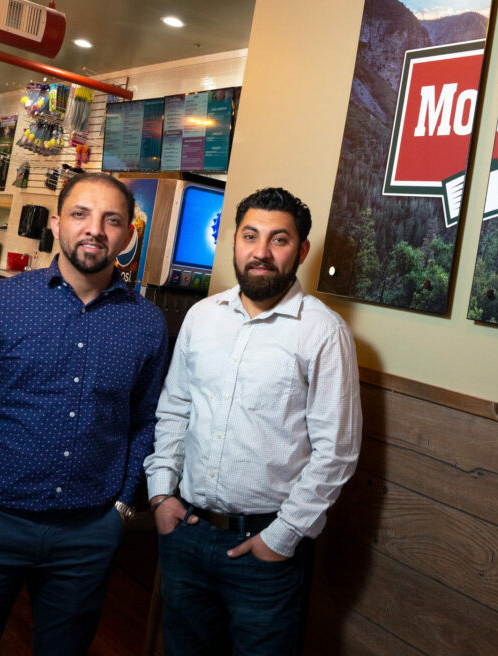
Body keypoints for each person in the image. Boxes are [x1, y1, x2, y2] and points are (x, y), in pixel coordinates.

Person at [0, 172, 169, 655]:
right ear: (56, 224)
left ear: (128, 235)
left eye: (111, 220)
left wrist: (121, 507)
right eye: (80, 214)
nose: (94, 229)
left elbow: (146, 421)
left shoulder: (146, 324)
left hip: (87, 534)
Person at [144, 187, 362, 655]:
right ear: (234, 242)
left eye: (279, 240)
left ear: (301, 251)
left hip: (265, 550)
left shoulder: (324, 333)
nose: (261, 252)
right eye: (251, 236)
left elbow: (336, 452)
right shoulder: (202, 317)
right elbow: (175, 408)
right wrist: (161, 492)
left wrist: (281, 538)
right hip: (186, 534)